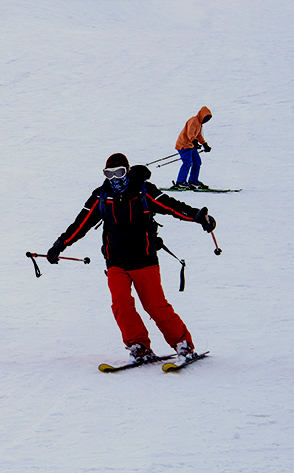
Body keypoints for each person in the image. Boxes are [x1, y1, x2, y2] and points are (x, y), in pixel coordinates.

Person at [46, 153, 216, 364]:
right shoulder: (101, 196)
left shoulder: (144, 191)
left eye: (120, 172)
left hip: (144, 259)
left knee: (155, 305)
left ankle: (183, 344)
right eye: (109, 174)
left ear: (127, 170)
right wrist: (60, 244)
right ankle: (139, 346)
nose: (115, 178)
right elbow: (82, 223)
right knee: (121, 304)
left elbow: (172, 206)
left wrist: (198, 216)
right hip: (116, 261)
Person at [173, 106, 212, 190]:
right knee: (187, 163)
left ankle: (193, 181)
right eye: (206, 117)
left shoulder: (199, 123)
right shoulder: (194, 120)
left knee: (197, 162)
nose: (206, 120)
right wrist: (194, 142)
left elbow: (198, 135)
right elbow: (190, 133)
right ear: (202, 115)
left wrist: (205, 144)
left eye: (208, 118)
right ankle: (180, 182)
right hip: (184, 145)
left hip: (191, 145)